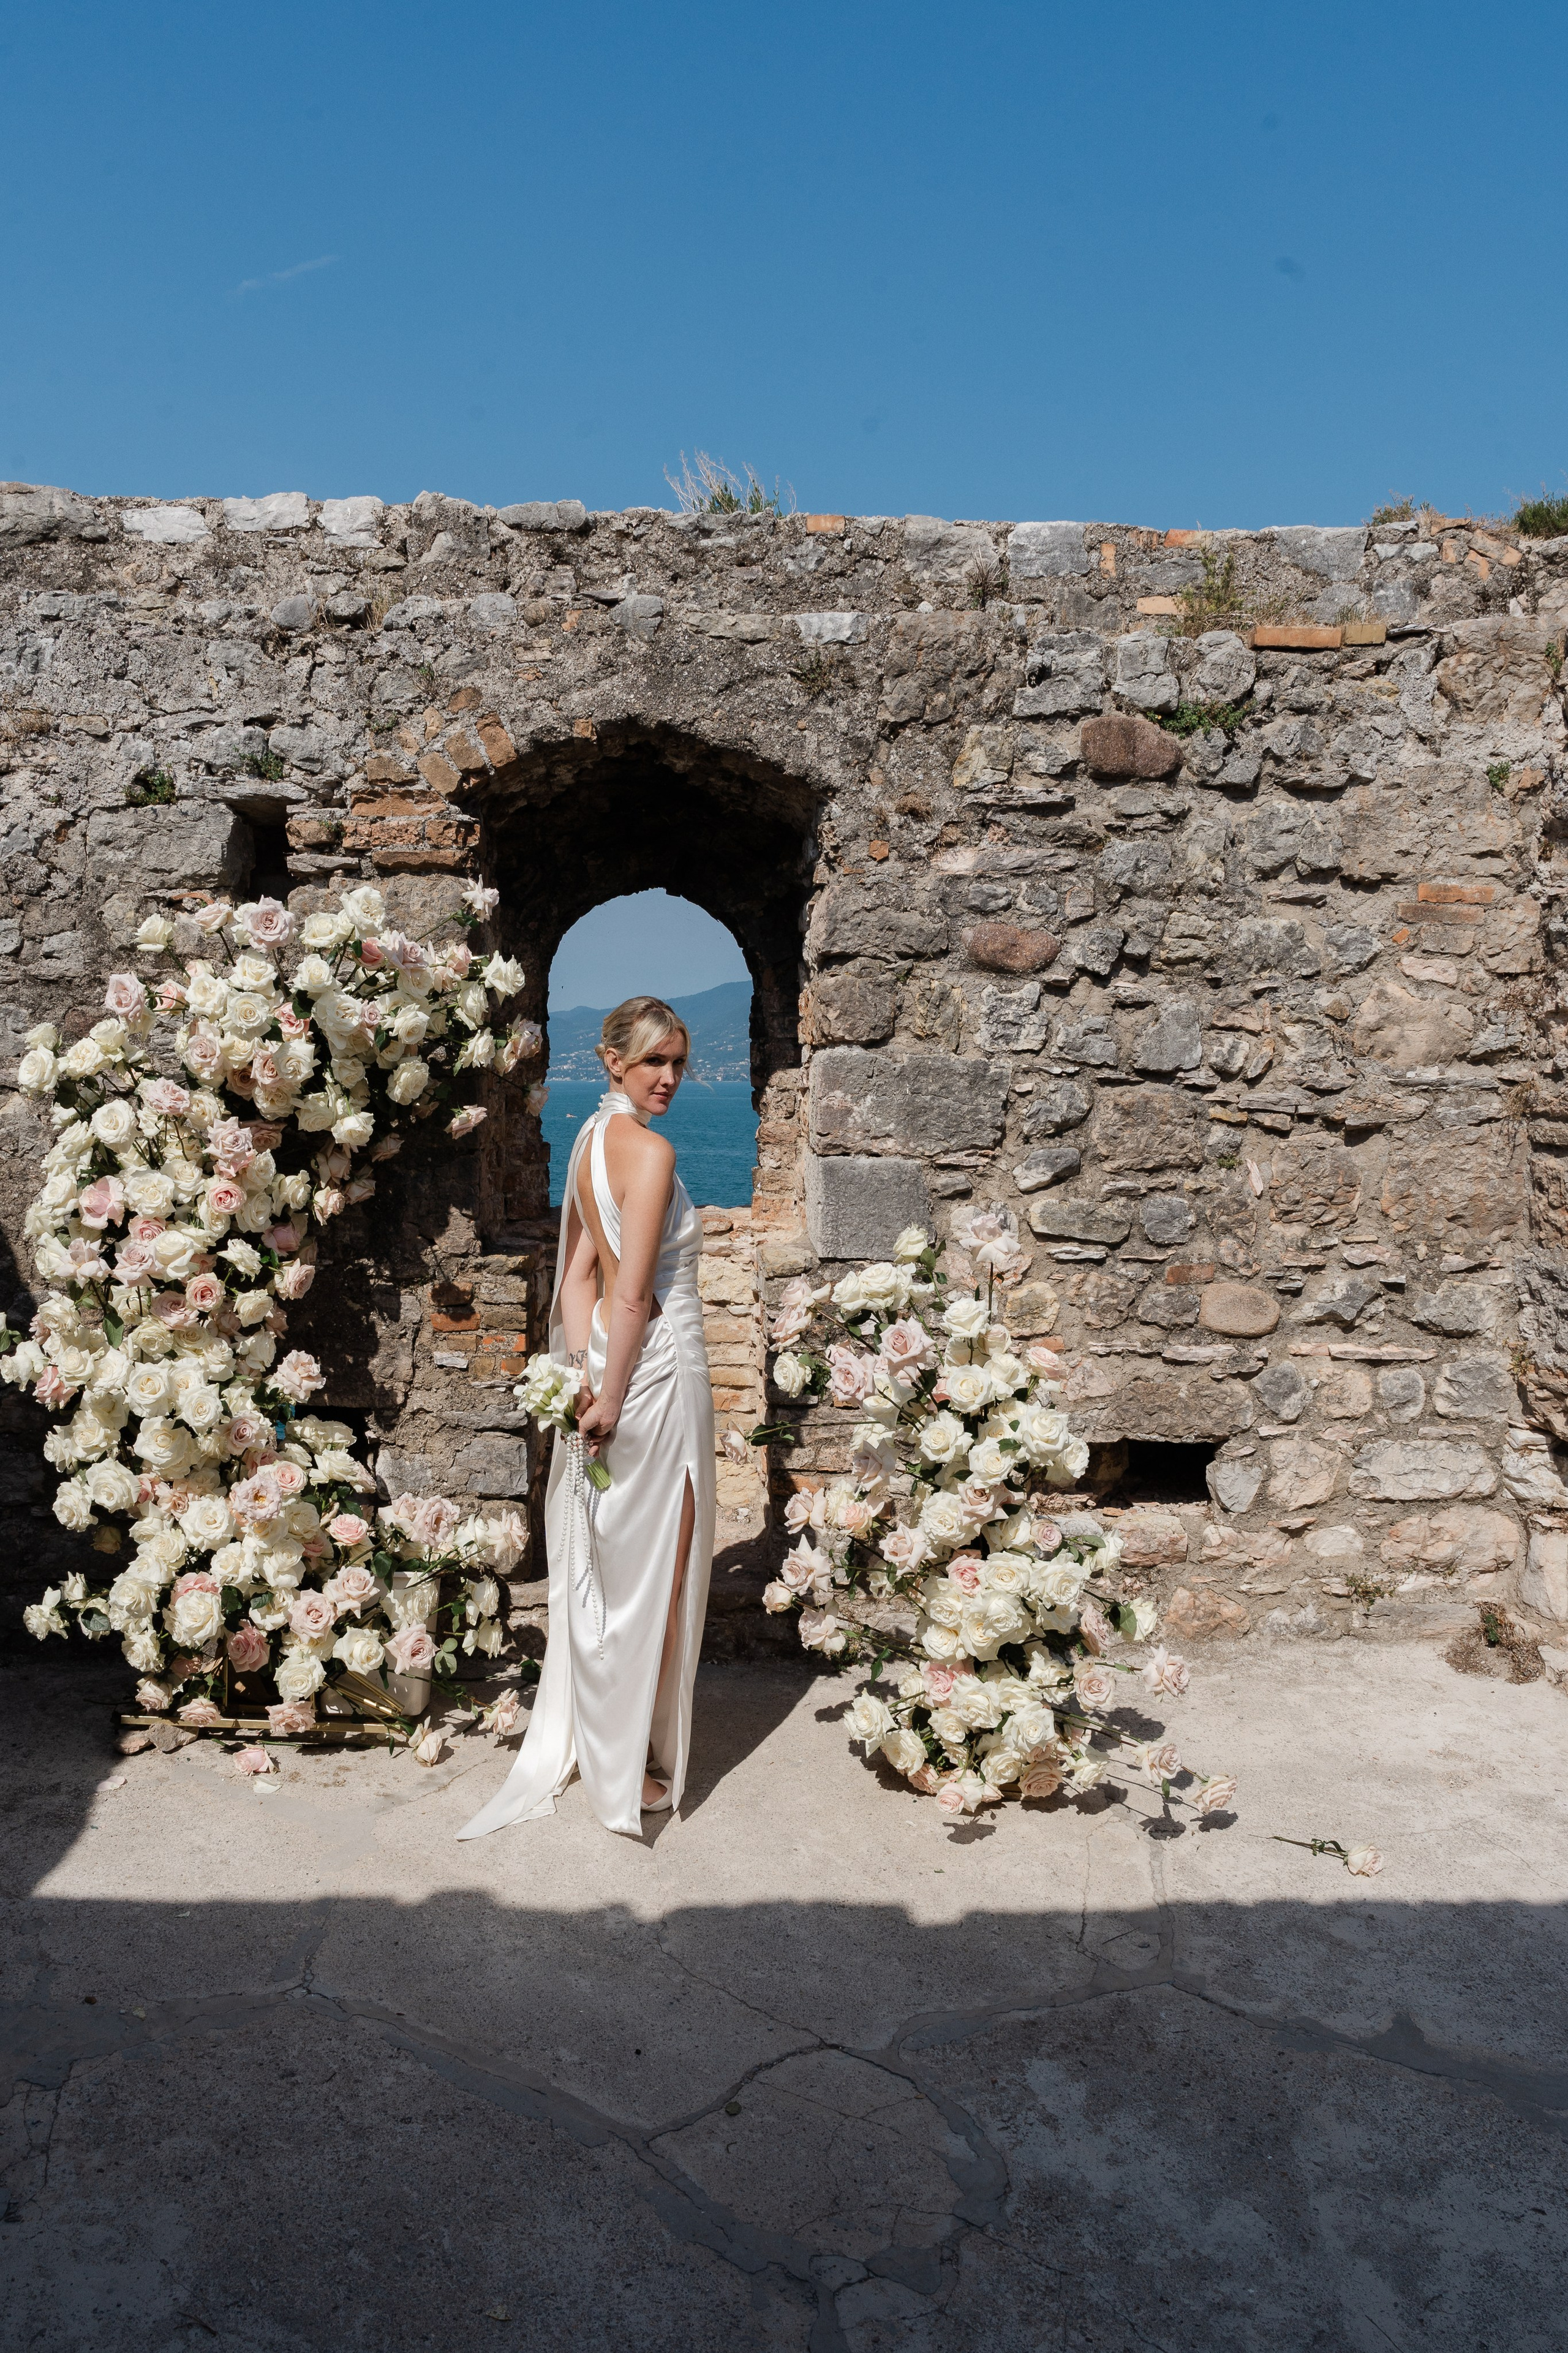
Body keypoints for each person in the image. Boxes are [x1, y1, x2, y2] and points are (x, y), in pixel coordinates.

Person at [458, 997, 715, 1839]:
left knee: (608, 1558)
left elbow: (577, 1282)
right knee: (657, 1569)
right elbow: (635, 1292)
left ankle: (618, 1745)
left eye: (677, 1061)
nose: (670, 1078)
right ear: (613, 1060)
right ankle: (629, 1763)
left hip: (604, 1359)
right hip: (656, 1369)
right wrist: (608, 1395)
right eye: (653, 1062)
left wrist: (579, 1374)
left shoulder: (585, 1143)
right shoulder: (650, 1149)